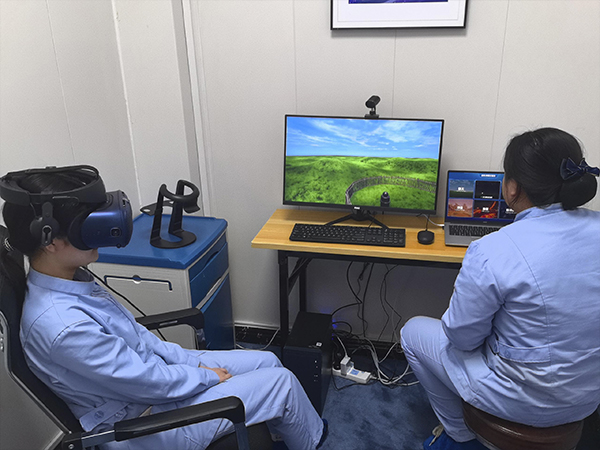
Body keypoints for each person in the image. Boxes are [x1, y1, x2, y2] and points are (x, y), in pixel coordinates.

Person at [0, 165, 328, 450]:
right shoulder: (63, 326)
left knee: (267, 360)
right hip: (146, 425)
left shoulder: (73, 280)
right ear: (51, 240)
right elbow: (145, 382)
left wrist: (189, 362)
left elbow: (140, 342)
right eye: (86, 225)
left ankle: (284, 428)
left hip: (155, 386)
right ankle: (311, 439)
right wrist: (205, 377)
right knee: (282, 383)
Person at [401, 128, 600, 450]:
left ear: (512, 187)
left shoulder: (493, 249)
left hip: (518, 402)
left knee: (413, 332)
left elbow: (461, 338)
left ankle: (460, 435)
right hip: (586, 399)